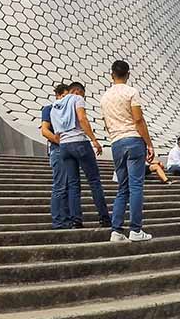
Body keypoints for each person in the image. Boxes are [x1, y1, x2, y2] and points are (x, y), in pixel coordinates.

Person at [100, 58, 155, 243]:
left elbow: (106, 124)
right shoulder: (132, 92)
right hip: (133, 140)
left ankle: (116, 231)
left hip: (116, 143)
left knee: (122, 187)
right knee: (136, 186)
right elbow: (138, 120)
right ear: (128, 74)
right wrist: (149, 143)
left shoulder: (104, 97)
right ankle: (136, 230)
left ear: (111, 75)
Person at [51, 82, 109, 229]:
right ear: (77, 91)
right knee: (94, 181)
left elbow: (57, 130)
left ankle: (76, 220)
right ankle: (104, 218)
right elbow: (82, 118)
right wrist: (94, 140)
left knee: (73, 184)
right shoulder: (77, 98)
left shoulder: (56, 105)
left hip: (64, 145)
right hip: (79, 143)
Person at [40, 84, 68, 227]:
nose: (65, 99)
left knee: (68, 186)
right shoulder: (49, 109)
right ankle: (58, 221)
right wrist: (59, 141)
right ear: (57, 96)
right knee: (60, 186)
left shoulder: (69, 111)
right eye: (63, 96)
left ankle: (67, 219)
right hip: (58, 150)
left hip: (69, 151)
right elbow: (44, 130)